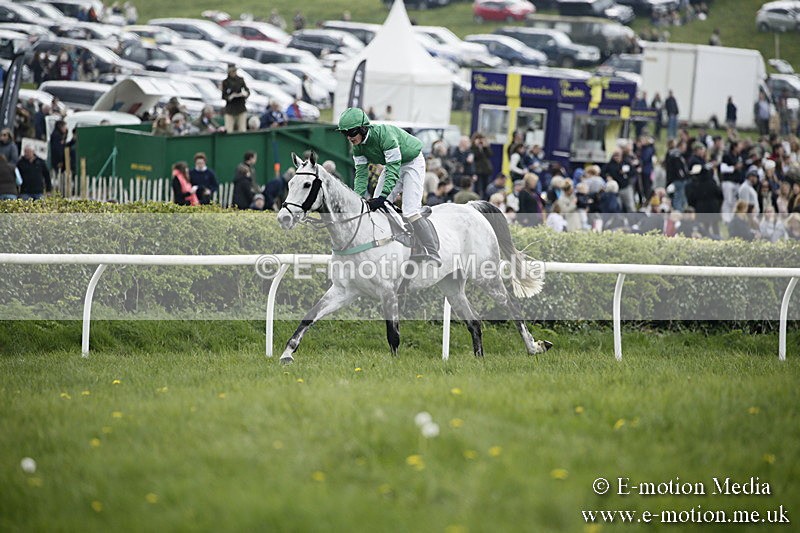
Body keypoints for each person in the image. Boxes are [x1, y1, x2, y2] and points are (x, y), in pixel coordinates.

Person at [337, 107, 441, 265]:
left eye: (352, 132)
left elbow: (393, 169)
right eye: (345, 133)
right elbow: (361, 175)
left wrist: (383, 197)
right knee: (376, 210)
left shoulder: (385, 136)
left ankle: (432, 251)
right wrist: (357, 199)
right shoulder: (357, 148)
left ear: (363, 128)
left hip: (412, 162)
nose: (349, 137)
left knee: (410, 211)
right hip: (393, 165)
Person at [221, 64, 249, 133]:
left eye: (234, 71)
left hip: (240, 106)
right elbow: (224, 96)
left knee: (242, 129)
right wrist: (230, 97)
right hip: (230, 108)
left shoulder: (240, 80)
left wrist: (245, 94)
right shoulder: (225, 82)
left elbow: (247, 90)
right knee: (229, 130)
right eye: (232, 71)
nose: (233, 73)